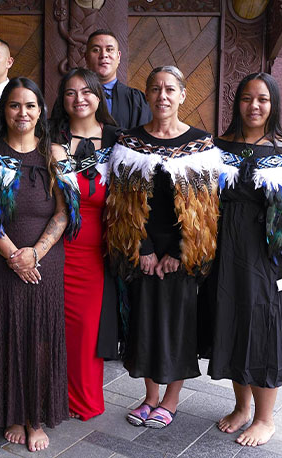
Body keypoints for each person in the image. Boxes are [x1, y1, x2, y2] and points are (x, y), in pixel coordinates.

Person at [0, 77, 80, 452]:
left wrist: (35, 253)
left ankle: (35, 417)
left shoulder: (56, 155)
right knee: (4, 333)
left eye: (30, 105)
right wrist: (13, 255)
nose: (23, 112)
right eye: (14, 105)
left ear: (41, 111)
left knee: (40, 335)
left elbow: (63, 215)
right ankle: (11, 412)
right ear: (3, 111)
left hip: (45, 263)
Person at [104, 66, 223, 430]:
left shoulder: (201, 145)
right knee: (144, 325)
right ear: (147, 95)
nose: (163, 96)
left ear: (183, 95)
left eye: (170, 89)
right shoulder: (128, 143)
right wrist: (142, 248)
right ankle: (149, 397)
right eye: (155, 89)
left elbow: (205, 210)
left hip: (181, 256)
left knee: (177, 326)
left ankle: (170, 401)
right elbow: (121, 201)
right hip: (143, 251)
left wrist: (177, 252)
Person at [207, 72, 282, 447]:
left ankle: (265, 418)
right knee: (235, 323)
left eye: (262, 99)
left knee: (264, 329)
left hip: (268, 255)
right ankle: (241, 407)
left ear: (274, 105)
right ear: (236, 103)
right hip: (227, 251)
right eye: (246, 99)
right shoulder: (218, 146)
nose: (253, 106)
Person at [49, 67, 120, 421]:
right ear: (62, 100)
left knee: (86, 325)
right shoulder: (49, 138)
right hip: (54, 244)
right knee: (54, 322)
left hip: (95, 248)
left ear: (99, 96)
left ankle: (83, 398)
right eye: (71, 93)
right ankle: (51, 395)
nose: (79, 99)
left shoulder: (119, 141)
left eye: (87, 92)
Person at [84, 29, 152, 130]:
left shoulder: (136, 100)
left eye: (109, 49)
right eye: (96, 50)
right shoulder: (74, 98)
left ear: (118, 57)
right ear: (86, 57)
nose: (103, 55)